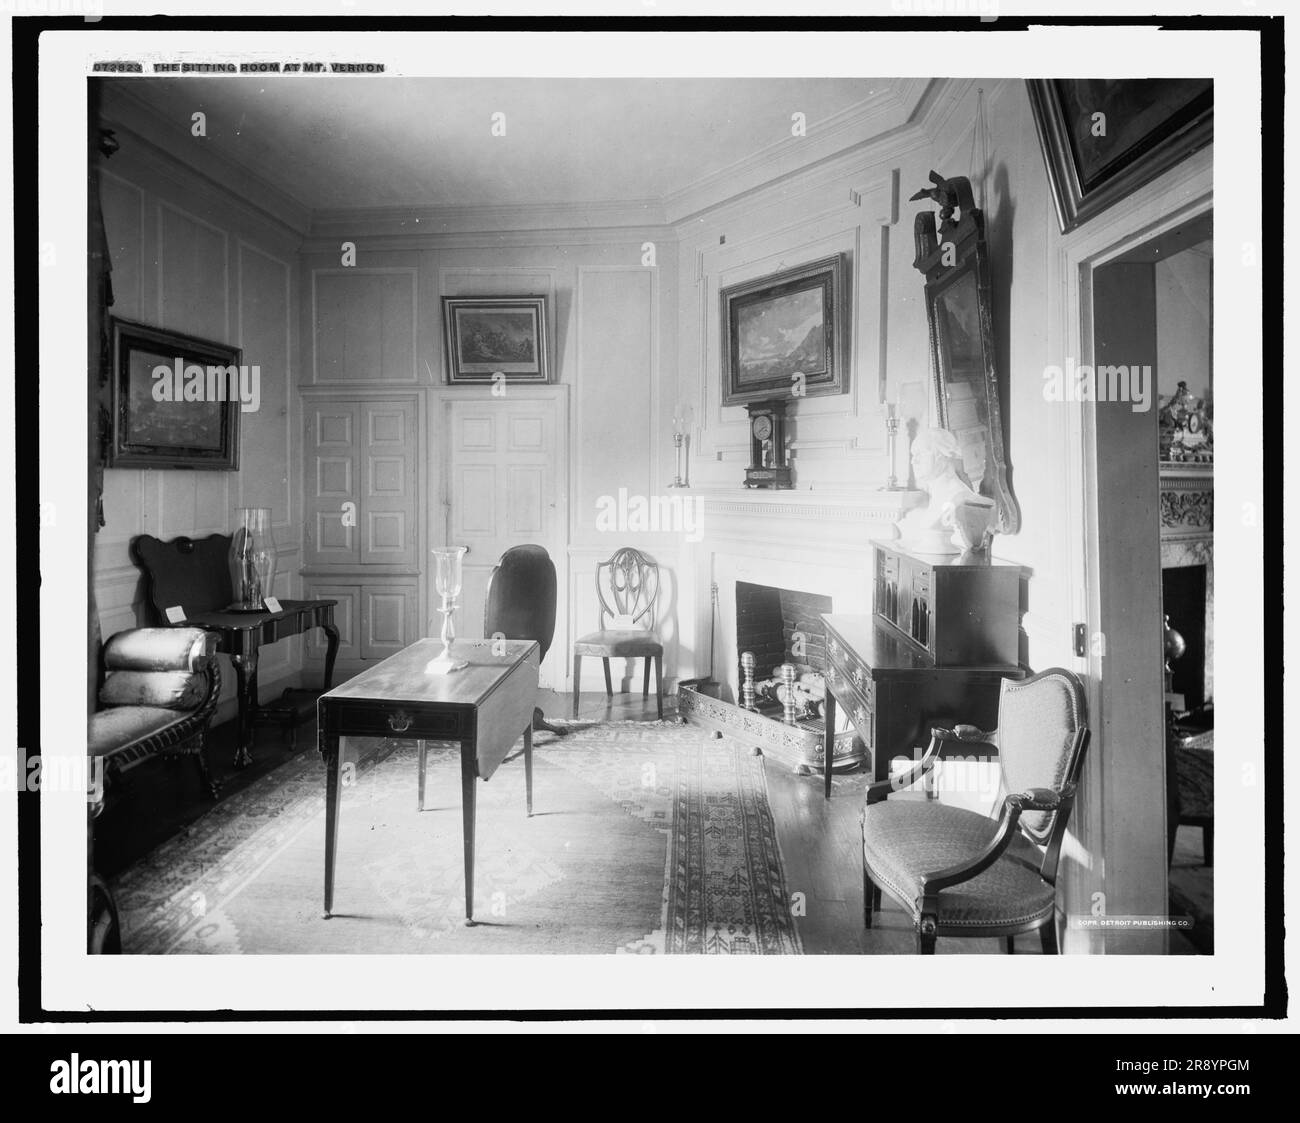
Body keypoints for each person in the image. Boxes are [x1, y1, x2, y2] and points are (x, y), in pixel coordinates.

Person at [897, 427, 979, 554]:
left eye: (921, 454)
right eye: (913, 455)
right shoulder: (937, 496)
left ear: (943, 456)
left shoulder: (959, 496)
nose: (914, 461)